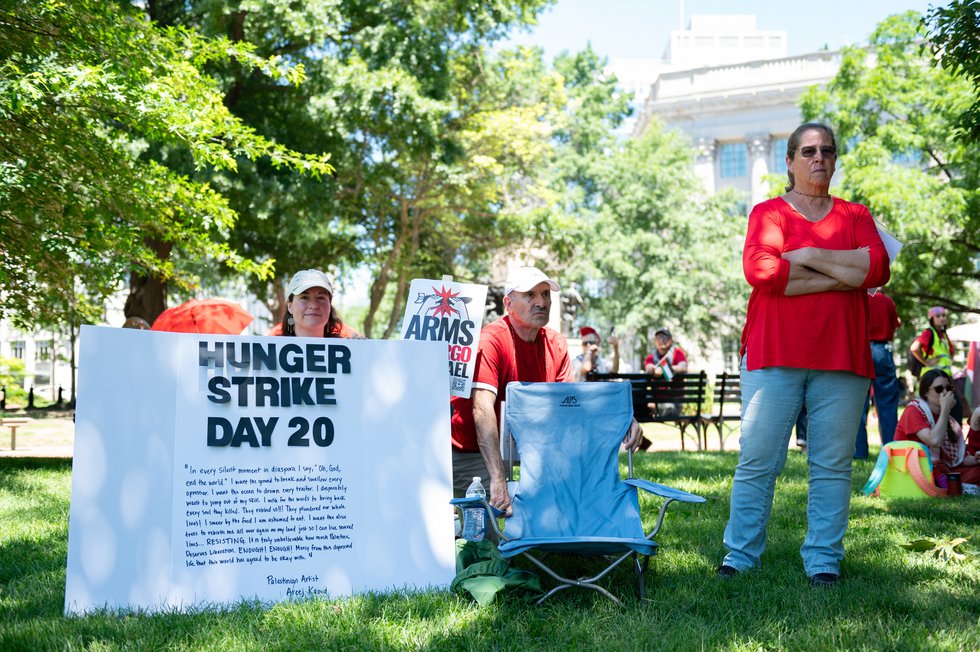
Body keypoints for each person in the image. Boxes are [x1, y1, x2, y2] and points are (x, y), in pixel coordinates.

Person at [718, 122, 891, 588]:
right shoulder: (769, 213)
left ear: (835, 161)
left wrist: (807, 252)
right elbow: (762, 271)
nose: (819, 158)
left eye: (827, 151)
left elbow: (877, 268)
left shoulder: (856, 214)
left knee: (832, 464)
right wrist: (843, 272)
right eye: (809, 151)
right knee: (757, 458)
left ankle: (823, 561)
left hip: (842, 354)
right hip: (774, 351)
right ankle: (740, 554)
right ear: (790, 161)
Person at [449, 266, 643, 514]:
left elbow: (571, 407)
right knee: (506, 515)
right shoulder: (492, 339)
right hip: (472, 451)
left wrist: (623, 418)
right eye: (530, 294)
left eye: (546, 294)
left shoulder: (556, 343)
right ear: (508, 303)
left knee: (574, 494)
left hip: (529, 451)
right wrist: (498, 479)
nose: (542, 302)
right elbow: (481, 409)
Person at [894, 370, 980, 486]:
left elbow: (957, 459)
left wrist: (975, 459)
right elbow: (934, 441)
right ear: (925, 393)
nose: (945, 393)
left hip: (940, 469)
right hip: (913, 471)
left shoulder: (947, 419)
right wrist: (945, 409)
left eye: (948, 388)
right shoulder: (914, 410)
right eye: (939, 389)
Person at [854, 290, 902, 458]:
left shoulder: (858, 298)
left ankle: (859, 451)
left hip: (861, 348)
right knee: (887, 403)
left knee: (859, 402)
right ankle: (891, 451)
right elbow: (893, 327)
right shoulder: (887, 302)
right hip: (882, 350)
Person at [909, 307, 963, 422]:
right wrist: (926, 362)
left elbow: (950, 353)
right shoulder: (929, 333)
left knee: (953, 409)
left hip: (944, 379)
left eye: (944, 315)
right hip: (932, 379)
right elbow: (914, 348)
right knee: (934, 412)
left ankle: (951, 436)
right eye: (938, 316)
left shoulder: (943, 335)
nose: (942, 318)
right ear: (932, 318)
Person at [278, 269, 361, 338]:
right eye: (304, 298)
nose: (314, 306)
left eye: (321, 298)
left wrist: (361, 351)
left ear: (330, 306)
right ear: (289, 306)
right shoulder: (271, 350)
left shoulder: (347, 348)